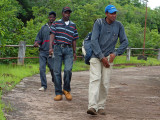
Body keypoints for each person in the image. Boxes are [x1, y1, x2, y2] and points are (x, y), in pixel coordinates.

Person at [87, 5, 128, 115]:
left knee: (104, 83)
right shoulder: (99, 23)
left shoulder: (119, 25)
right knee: (95, 80)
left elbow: (125, 42)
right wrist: (101, 57)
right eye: (111, 13)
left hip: (109, 58)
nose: (113, 15)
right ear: (106, 14)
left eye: (115, 13)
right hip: (96, 56)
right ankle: (92, 106)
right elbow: (94, 41)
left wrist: (115, 53)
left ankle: (101, 106)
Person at [49, 7, 79, 101]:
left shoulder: (73, 25)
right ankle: (58, 93)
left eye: (69, 13)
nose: (67, 14)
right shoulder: (56, 23)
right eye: (65, 12)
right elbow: (52, 35)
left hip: (68, 49)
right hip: (58, 48)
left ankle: (66, 90)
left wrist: (74, 52)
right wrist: (50, 47)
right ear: (62, 13)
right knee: (56, 71)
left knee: (68, 70)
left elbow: (74, 40)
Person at [34, 11, 56, 91]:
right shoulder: (43, 28)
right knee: (42, 68)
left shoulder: (57, 28)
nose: (51, 18)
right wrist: (36, 43)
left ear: (55, 18)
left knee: (53, 68)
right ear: (48, 18)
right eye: (50, 17)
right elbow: (38, 38)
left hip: (52, 52)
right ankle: (44, 86)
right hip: (43, 51)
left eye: (53, 17)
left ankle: (55, 82)